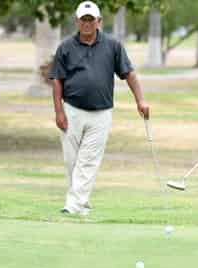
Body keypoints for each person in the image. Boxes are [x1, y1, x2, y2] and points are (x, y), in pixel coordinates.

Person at [49, 1, 149, 215]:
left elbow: (128, 73)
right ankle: (80, 203)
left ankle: (73, 206)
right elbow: (56, 79)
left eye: (90, 20)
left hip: (101, 114)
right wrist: (58, 112)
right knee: (71, 161)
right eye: (83, 20)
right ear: (77, 21)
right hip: (72, 110)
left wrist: (140, 100)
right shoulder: (65, 47)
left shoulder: (113, 45)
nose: (86, 23)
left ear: (99, 22)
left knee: (88, 161)